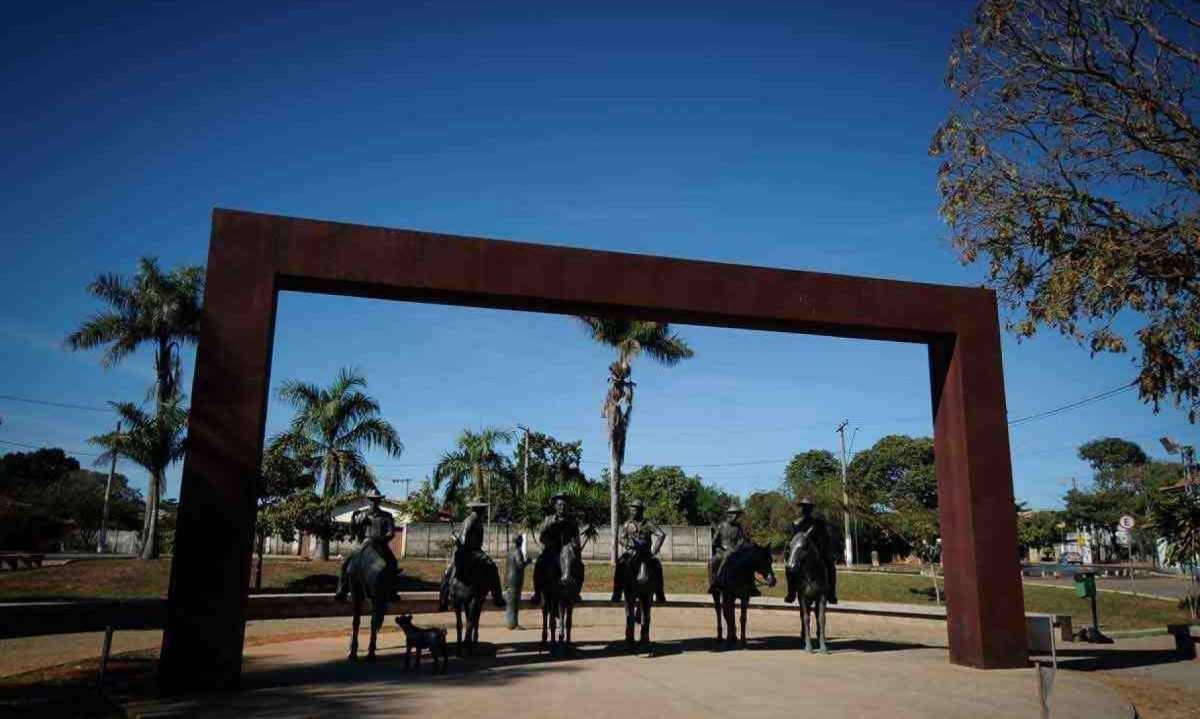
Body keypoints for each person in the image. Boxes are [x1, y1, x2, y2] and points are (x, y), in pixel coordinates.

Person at [438, 497, 504, 611]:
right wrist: (467, 548)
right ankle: (497, 597)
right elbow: (464, 539)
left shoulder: (470, 519)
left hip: (464, 550)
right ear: (480, 509)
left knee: (448, 572)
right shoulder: (473, 520)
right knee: (493, 567)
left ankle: (443, 600)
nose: (485, 511)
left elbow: (462, 538)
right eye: (484, 508)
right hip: (472, 551)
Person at [334, 489, 398, 601]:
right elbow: (354, 531)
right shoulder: (361, 515)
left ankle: (392, 590)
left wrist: (381, 539)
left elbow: (391, 533)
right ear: (368, 500)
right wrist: (354, 521)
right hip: (364, 543)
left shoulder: (386, 516)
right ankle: (342, 590)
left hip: (380, 544)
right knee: (345, 563)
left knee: (393, 563)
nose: (374, 502)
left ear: (379, 501)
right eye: (371, 500)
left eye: (376, 500)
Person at [531, 492, 584, 605]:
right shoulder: (548, 520)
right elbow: (541, 536)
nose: (562, 507)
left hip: (566, 552)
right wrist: (548, 543)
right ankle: (537, 593)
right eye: (559, 505)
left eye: (564, 505)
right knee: (539, 566)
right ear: (555, 506)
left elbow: (576, 539)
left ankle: (575, 592)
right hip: (551, 551)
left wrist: (574, 545)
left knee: (580, 568)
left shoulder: (572, 522)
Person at [611, 498, 666, 603]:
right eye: (631, 510)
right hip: (631, 553)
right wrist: (628, 543)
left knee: (657, 566)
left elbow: (661, 534)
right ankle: (616, 593)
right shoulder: (627, 524)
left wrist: (655, 549)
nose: (632, 512)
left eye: (634, 510)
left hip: (645, 553)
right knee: (620, 565)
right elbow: (621, 538)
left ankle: (660, 593)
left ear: (641, 510)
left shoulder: (648, 523)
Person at [785, 497, 838, 604]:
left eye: (808, 507)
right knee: (789, 568)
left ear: (811, 509)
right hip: (801, 553)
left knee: (831, 566)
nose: (805, 509)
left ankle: (831, 593)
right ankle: (791, 593)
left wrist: (822, 548)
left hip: (817, 552)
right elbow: (792, 539)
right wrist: (789, 547)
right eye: (803, 507)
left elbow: (825, 537)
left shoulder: (818, 523)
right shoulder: (795, 523)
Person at [708, 504, 753, 595]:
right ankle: (715, 582)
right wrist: (721, 548)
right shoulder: (721, 526)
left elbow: (742, 539)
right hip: (722, 551)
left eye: (738, 516)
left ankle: (751, 586)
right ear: (731, 515)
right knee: (712, 563)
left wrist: (742, 543)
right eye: (737, 516)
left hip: (735, 551)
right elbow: (714, 542)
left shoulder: (738, 527)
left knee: (749, 561)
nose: (738, 518)